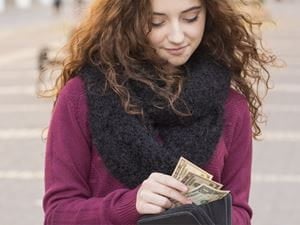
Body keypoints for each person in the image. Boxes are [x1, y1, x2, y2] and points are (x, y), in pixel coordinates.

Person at [42, 0, 276, 224]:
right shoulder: (81, 97)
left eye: (190, 18)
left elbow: (239, 214)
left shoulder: (231, 107)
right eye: (156, 22)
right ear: (128, 19)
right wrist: (130, 205)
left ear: (209, 13)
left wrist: (203, 217)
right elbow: (58, 214)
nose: (177, 36)